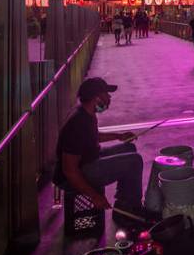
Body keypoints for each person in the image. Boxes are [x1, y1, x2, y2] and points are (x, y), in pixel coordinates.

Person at [53, 77, 145, 224]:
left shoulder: (86, 114)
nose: (109, 98)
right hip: (74, 175)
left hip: (88, 161)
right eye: (106, 94)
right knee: (134, 161)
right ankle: (130, 209)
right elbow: (69, 170)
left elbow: (92, 137)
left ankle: (125, 203)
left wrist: (119, 136)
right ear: (97, 98)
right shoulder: (77, 123)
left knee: (129, 147)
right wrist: (94, 196)